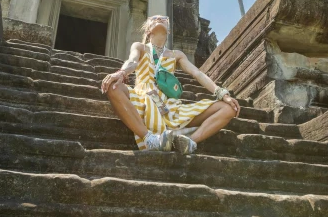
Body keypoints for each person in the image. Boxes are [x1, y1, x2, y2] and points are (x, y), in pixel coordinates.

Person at [101, 14, 240, 154]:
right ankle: (150, 139)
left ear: (168, 31)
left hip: (169, 106)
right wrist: (121, 73)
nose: (160, 19)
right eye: (155, 19)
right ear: (148, 30)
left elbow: (197, 73)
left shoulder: (176, 54)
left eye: (164, 19)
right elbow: (132, 61)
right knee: (115, 86)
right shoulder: (140, 47)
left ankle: (189, 142)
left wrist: (222, 93)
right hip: (142, 99)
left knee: (228, 108)